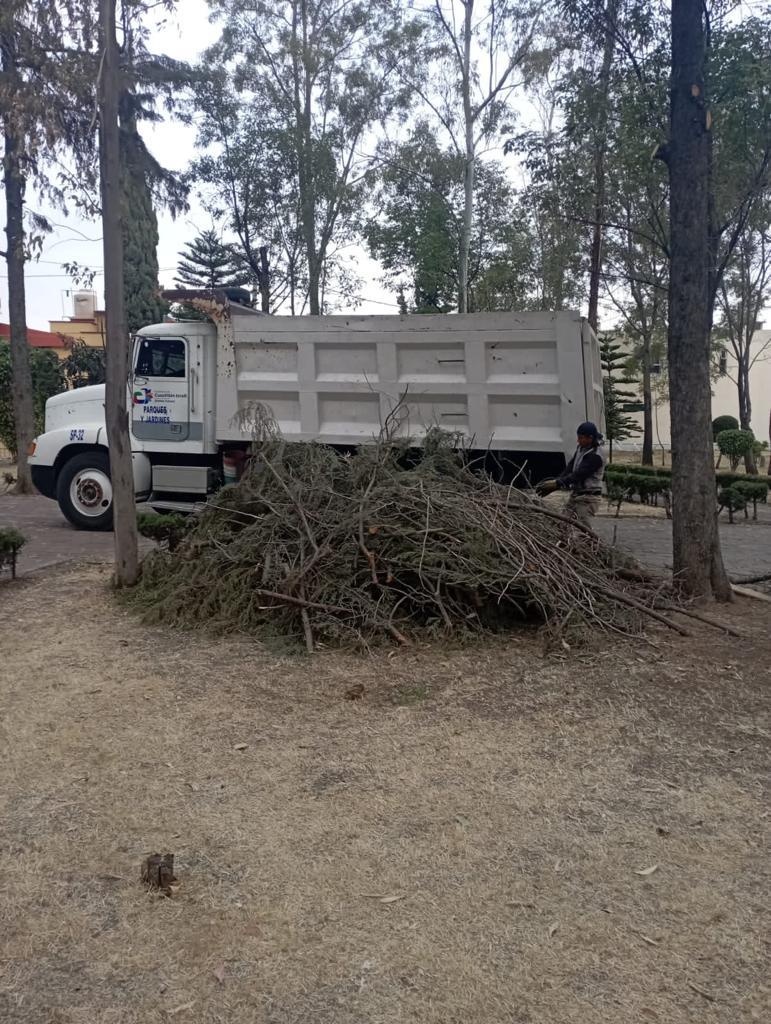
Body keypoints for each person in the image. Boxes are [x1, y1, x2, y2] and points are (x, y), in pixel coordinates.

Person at [536, 422, 606, 528]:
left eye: (581, 438)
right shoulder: (581, 448)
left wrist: (559, 483)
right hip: (576, 495)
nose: (578, 440)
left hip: (588, 499)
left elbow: (579, 475)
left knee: (582, 531)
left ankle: (589, 544)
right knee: (562, 525)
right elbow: (570, 467)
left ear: (590, 438)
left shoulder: (595, 455)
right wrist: (557, 481)